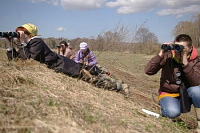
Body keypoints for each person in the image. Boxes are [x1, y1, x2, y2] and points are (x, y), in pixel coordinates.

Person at [145, 34, 200, 132]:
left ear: (190, 48)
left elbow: (196, 82)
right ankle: (167, 106)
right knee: (172, 112)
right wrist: (161, 54)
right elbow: (148, 71)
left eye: (181, 48)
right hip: (169, 92)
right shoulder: (168, 55)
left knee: (197, 91)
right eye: (176, 46)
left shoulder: (195, 60)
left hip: (186, 92)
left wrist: (185, 63)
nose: (178, 51)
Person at [6, 23, 80, 77]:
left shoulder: (37, 41)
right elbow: (16, 60)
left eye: (22, 34)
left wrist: (22, 43)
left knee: (84, 72)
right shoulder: (26, 45)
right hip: (61, 65)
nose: (19, 36)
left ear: (30, 35)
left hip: (63, 65)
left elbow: (28, 59)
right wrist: (10, 44)